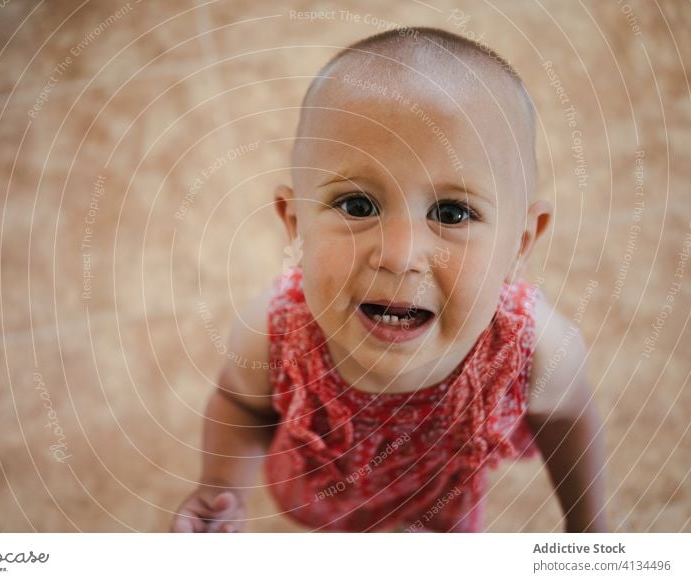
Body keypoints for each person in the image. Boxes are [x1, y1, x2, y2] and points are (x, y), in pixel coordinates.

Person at [171, 27, 607, 533]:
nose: (400, 257)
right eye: (357, 205)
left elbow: (568, 421)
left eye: (452, 212)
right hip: (317, 499)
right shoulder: (273, 330)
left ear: (521, 242)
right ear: (296, 224)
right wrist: (220, 491)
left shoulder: (534, 351)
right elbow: (241, 405)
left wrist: (589, 532)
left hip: (438, 514)